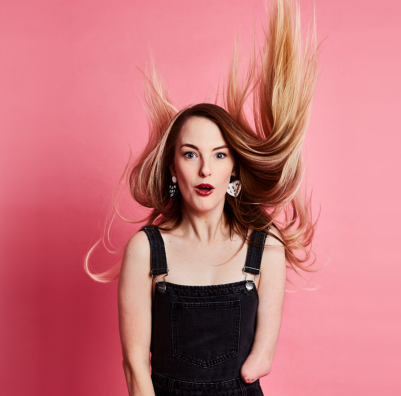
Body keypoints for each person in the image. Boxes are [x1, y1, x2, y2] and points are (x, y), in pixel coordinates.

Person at [85, 0, 323, 394]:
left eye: (219, 154)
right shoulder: (146, 250)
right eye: (190, 154)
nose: (205, 170)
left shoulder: (265, 247)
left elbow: (260, 362)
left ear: (234, 167)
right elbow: (134, 367)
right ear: (173, 167)